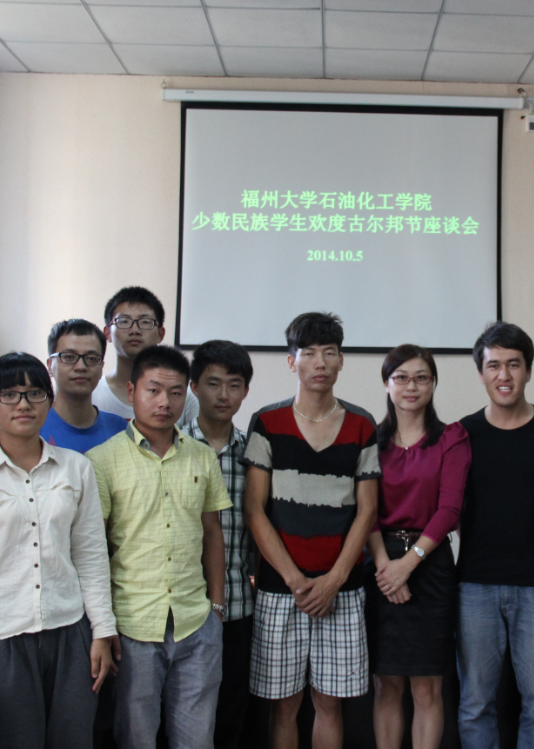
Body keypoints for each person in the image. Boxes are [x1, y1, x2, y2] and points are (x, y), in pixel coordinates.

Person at [0, 352, 118, 749]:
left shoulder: (76, 468)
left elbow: (90, 556)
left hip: (71, 632)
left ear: (49, 401)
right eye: (9, 394)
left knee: (74, 740)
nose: (23, 404)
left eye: (35, 393)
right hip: (1, 637)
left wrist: (102, 632)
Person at [242, 312, 379, 749]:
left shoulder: (362, 424)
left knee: (329, 704)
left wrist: (334, 581)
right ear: (291, 361)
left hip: (342, 589)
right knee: (284, 705)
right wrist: (295, 580)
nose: (320, 362)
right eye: (309, 353)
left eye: (330, 353)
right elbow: (255, 510)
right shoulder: (267, 422)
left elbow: (367, 510)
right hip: (282, 588)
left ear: (341, 361)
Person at [86, 345, 231, 749]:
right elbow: (94, 550)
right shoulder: (101, 461)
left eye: (175, 392)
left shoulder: (203, 457)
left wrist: (216, 608)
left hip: (196, 621)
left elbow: (212, 533)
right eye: (153, 390)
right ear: (132, 391)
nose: (164, 402)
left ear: (187, 395)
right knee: (136, 739)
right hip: (132, 625)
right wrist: (103, 625)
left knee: (197, 740)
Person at [456, 321, 534, 749]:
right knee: (475, 704)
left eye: (513, 364)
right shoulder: (463, 433)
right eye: (493, 366)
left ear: (528, 370)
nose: (503, 375)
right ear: (481, 373)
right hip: (475, 584)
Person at [365, 345, 471, 749]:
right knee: (387, 684)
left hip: (430, 566)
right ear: (387, 384)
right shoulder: (370, 441)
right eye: (402, 377)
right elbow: (366, 511)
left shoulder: (452, 438)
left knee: (427, 688)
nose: (411, 386)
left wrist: (407, 564)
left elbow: (450, 509)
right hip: (379, 564)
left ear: (433, 383)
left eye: (421, 377)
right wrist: (385, 568)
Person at [183, 340, 256, 749]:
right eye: (213, 383)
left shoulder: (254, 454)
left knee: (231, 713)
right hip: (184, 609)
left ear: (245, 390)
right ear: (194, 388)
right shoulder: (173, 448)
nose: (224, 394)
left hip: (240, 606)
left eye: (234, 384)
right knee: (181, 715)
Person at [92, 286, 199, 429]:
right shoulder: (92, 394)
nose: (135, 330)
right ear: (107, 333)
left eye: (145, 322)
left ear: (161, 334)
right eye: (124, 321)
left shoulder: (183, 396)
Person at [42, 318, 128, 453]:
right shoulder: (34, 428)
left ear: (101, 367)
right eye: (69, 357)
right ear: (50, 366)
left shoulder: (120, 429)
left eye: (91, 359)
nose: (81, 367)